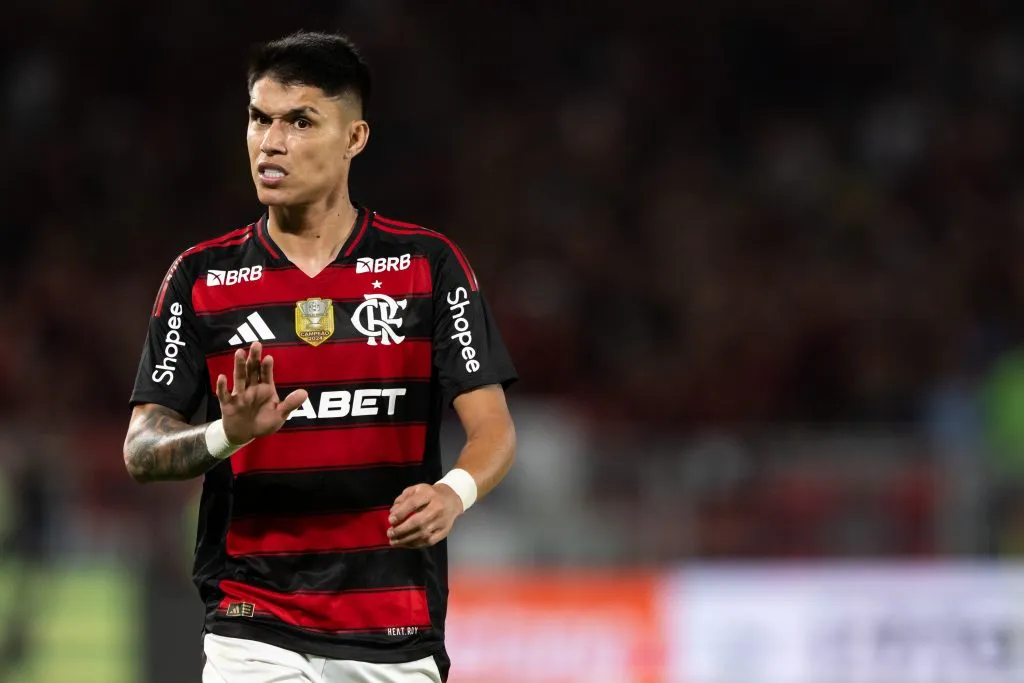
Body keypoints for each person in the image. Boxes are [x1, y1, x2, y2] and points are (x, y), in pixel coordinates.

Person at [123, 31, 517, 683]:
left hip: (394, 626)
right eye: (259, 118)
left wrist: (453, 492)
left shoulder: (428, 266)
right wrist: (229, 432)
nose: (271, 142)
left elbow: (495, 430)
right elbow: (140, 448)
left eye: (300, 121)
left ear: (354, 138)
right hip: (254, 623)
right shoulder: (201, 278)